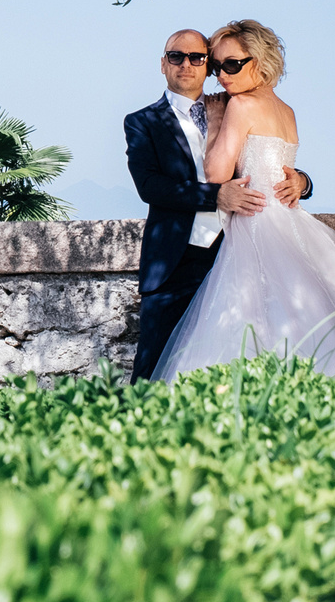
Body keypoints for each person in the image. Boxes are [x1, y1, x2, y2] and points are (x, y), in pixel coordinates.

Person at [154, 19, 335, 384]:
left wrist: (215, 121)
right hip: (293, 223)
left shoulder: (240, 105)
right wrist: (302, 181)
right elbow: (280, 170)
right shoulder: (287, 111)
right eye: (217, 67)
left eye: (232, 64)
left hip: (255, 223)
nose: (222, 76)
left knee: (247, 326)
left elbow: (216, 173)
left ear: (261, 61)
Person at [126, 27, 313, 382]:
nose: (186, 64)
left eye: (198, 58)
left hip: (236, 256)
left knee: (238, 365)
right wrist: (215, 196)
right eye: (176, 57)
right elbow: (150, 186)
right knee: (152, 374)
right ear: (163, 64)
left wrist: (303, 181)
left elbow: (271, 160)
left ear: (206, 65)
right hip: (175, 264)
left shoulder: (237, 103)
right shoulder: (142, 122)